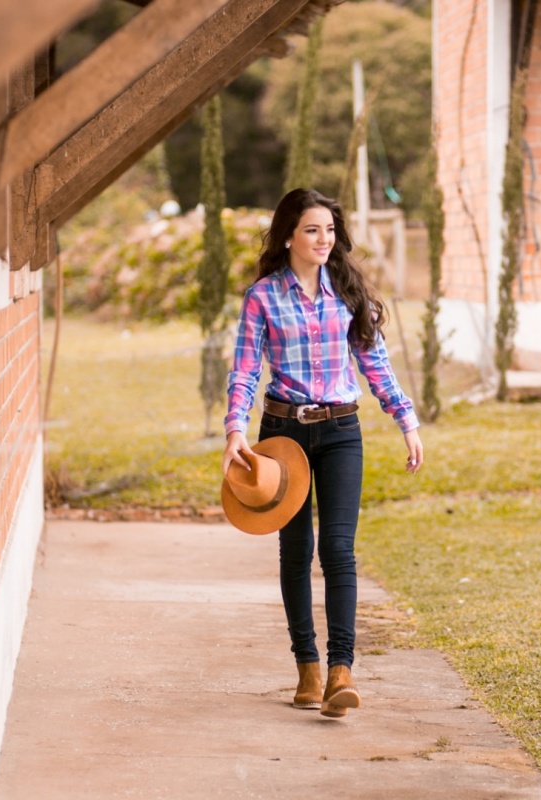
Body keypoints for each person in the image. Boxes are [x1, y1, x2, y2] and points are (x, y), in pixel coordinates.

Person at [221, 188, 423, 719]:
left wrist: (406, 420)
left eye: (330, 230)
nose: (324, 239)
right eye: (312, 230)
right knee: (296, 551)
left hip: (340, 432)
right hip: (283, 437)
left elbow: (375, 362)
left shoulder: (348, 291)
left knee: (338, 549)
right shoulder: (263, 297)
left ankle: (340, 671)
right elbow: (244, 368)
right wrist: (235, 430)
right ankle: (307, 667)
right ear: (289, 234)